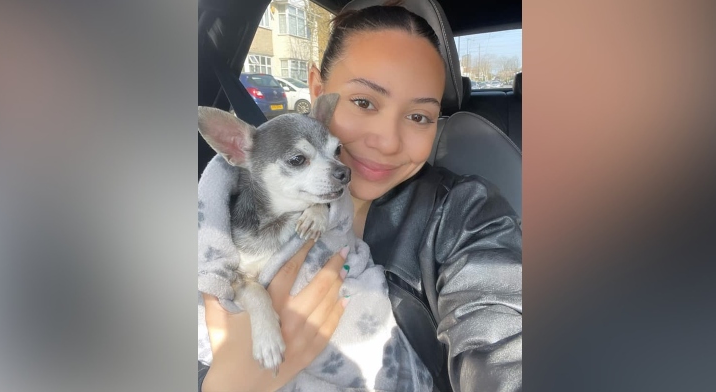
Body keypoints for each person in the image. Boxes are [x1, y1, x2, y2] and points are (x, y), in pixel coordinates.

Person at [199, 3, 522, 392]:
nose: (386, 142)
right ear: (319, 94)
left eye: (419, 117)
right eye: (364, 102)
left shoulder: (466, 214)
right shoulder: (220, 218)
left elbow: (503, 339)